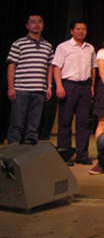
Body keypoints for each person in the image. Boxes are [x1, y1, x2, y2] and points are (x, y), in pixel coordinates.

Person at [53, 21, 97, 166]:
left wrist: (92, 86)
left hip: (85, 86)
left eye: (83, 29)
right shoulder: (63, 47)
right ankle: (64, 156)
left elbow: (93, 68)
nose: (81, 31)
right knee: (65, 122)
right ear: (72, 31)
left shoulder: (90, 48)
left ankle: (82, 155)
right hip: (68, 85)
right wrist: (59, 86)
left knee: (83, 123)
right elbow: (56, 67)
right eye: (78, 29)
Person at [6, 13, 54, 145]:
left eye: (39, 21)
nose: (36, 24)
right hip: (21, 89)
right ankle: (14, 152)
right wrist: (11, 87)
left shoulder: (47, 46)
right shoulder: (19, 43)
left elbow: (50, 67)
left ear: (43, 25)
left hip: (39, 90)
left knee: (34, 126)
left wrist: (49, 86)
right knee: (17, 124)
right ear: (27, 26)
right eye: (33, 22)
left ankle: (30, 152)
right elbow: (11, 66)